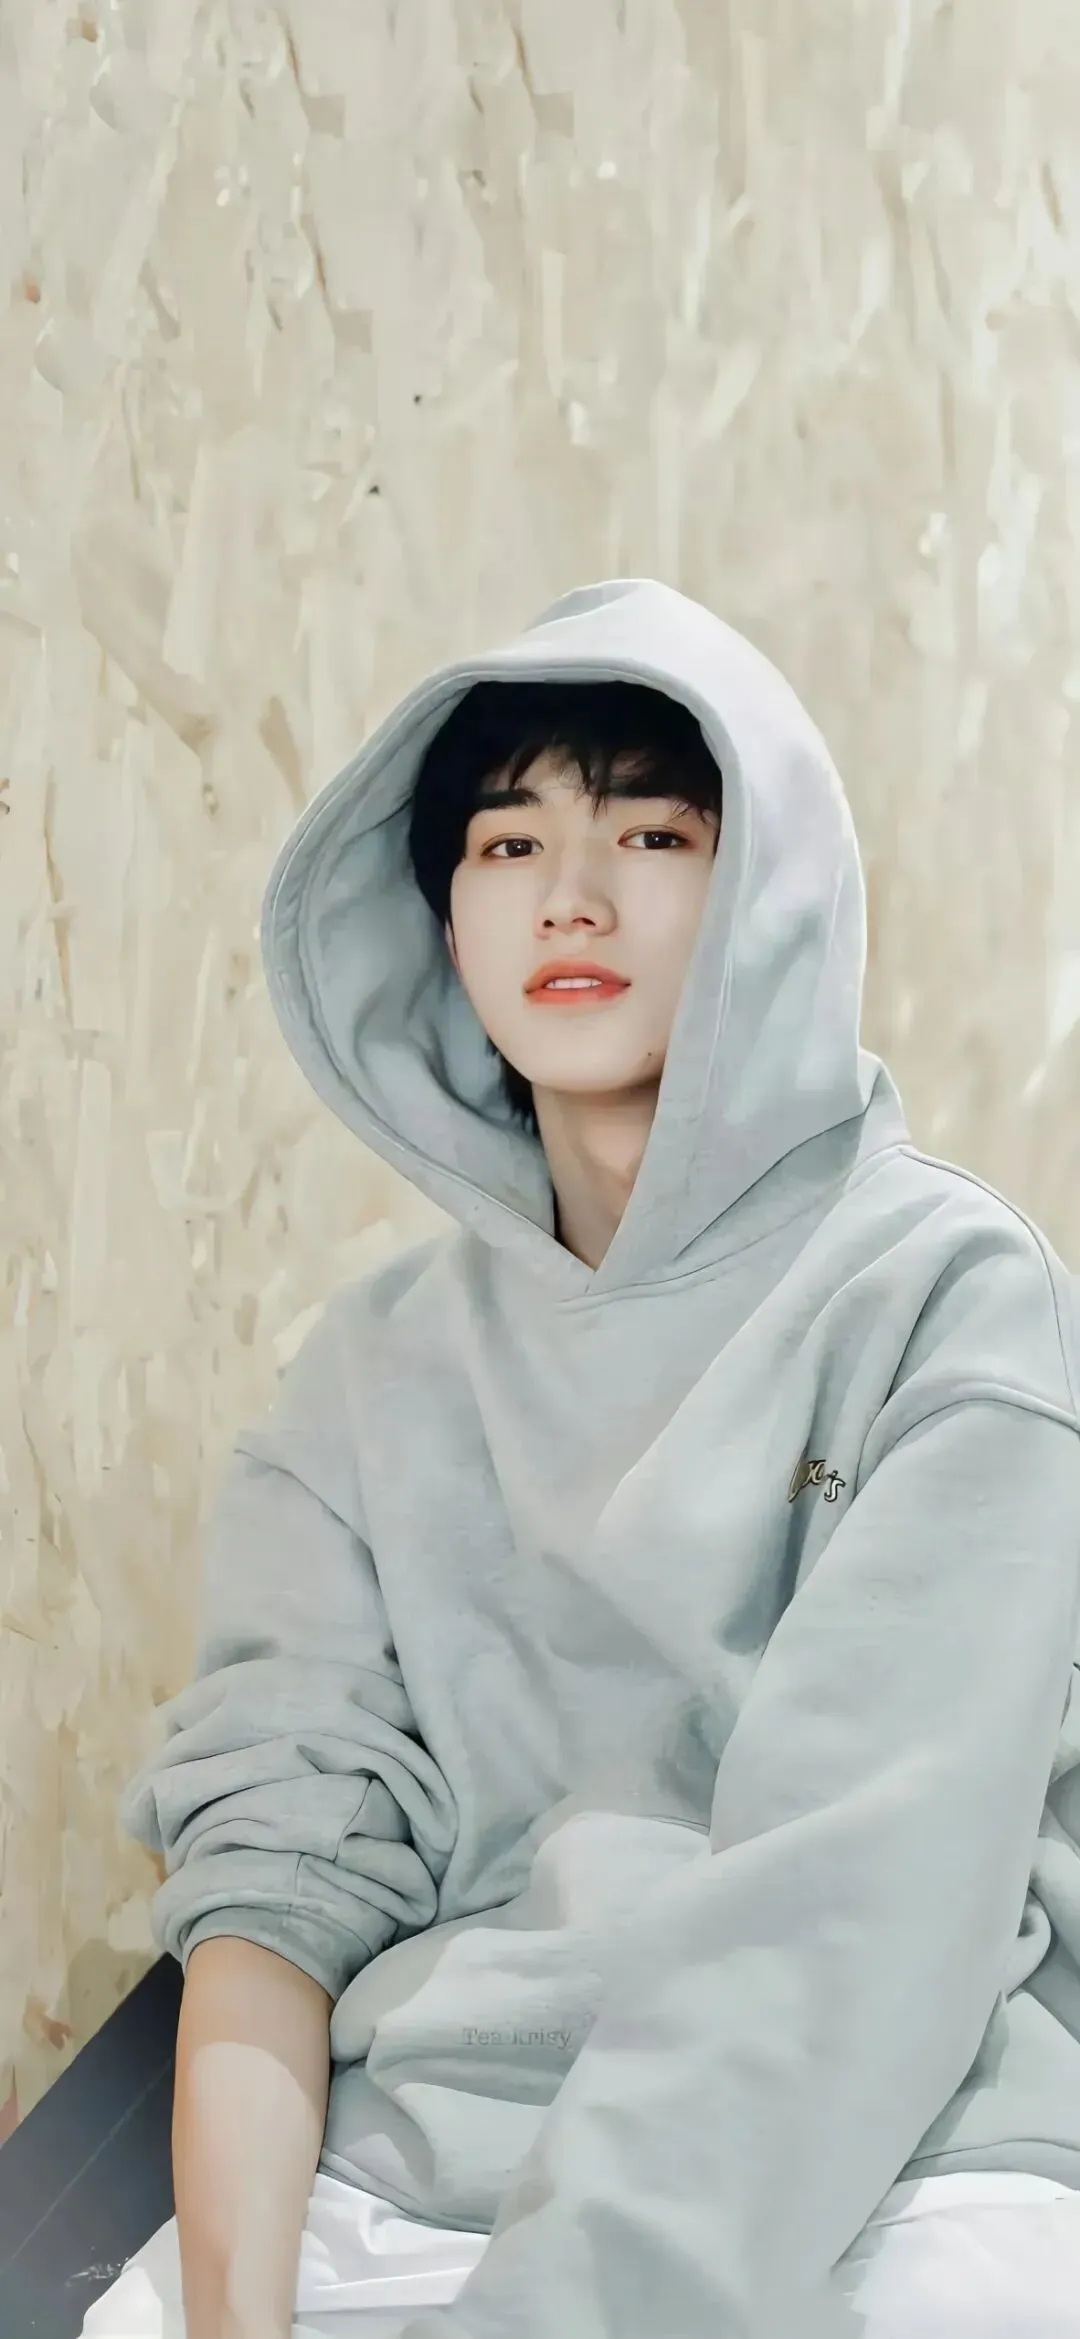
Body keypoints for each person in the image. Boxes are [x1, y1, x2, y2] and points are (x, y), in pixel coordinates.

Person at [98, 579, 1080, 2339]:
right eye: (507, 840)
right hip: (411, 2181)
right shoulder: (368, 1375)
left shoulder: (952, 1299)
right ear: (445, 927)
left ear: (770, 891)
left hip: (901, 2165)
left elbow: (854, 1912)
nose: (573, 894)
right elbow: (276, 1884)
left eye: (652, 830)